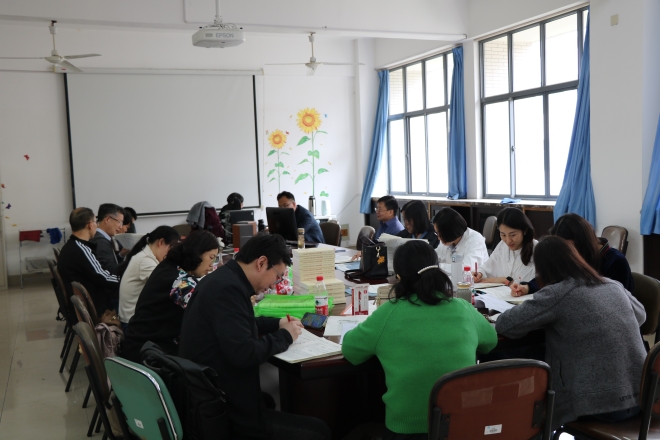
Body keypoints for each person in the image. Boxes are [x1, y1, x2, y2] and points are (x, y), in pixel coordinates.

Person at [179, 234, 331, 440]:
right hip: (222, 411)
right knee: (319, 431)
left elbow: (240, 324)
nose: (274, 285)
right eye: (277, 276)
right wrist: (285, 336)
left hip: (212, 393)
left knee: (269, 401)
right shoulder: (228, 290)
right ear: (261, 263)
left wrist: (277, 323)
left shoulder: (225, 279)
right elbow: (245, 353)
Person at [342, 241, 497, 439]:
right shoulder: (462, 307)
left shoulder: (389, 313)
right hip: (460, 426)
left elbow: (350, 350)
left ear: (398, 277)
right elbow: (490, 341)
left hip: (405, 429)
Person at [496, 236, 646, 430]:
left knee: (522, 356)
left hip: (599, 405)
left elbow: (505, 325)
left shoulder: (556, 293)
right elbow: (641, 315)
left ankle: (518, 426)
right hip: (644, 398)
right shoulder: (611, 284)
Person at [121, 230, 219, 363]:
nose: (212, 265)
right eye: (211, 257)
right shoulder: (180, 281)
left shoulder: (169, 266)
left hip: (139, 345)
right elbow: (210, 312)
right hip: (152, 356)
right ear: (198, 253)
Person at [511, 213, 634, 296]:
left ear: (582, 240)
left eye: (568, 246)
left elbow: (623, 303)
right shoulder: (570, 253)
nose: (565, 252)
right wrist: (528, 287)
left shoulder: (616, 262)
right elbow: (551, 276)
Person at [57, 207, 120, 314]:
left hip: (84, 304)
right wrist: (126, 281)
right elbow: (103, 277)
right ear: (90, 225)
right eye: (96, 222)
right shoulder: (81, 249)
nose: (97, 225)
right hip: (94, 307)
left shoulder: (71, 246)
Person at [117, 226, 180, 329]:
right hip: (132, 323)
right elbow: (169, 284)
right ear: (161, 242)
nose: (171, 254)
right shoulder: (145, 261)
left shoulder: (145, 256)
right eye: (171, 248)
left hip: (133, 318)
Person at [473, 208, 536, 285]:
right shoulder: (502, 246)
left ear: (525, 230)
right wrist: (480, 273)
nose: (508, 240)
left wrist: (503, 280)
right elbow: (487, 269)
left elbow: (535, 285)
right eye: (503, 235)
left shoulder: (537, 250)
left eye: (513, 235)